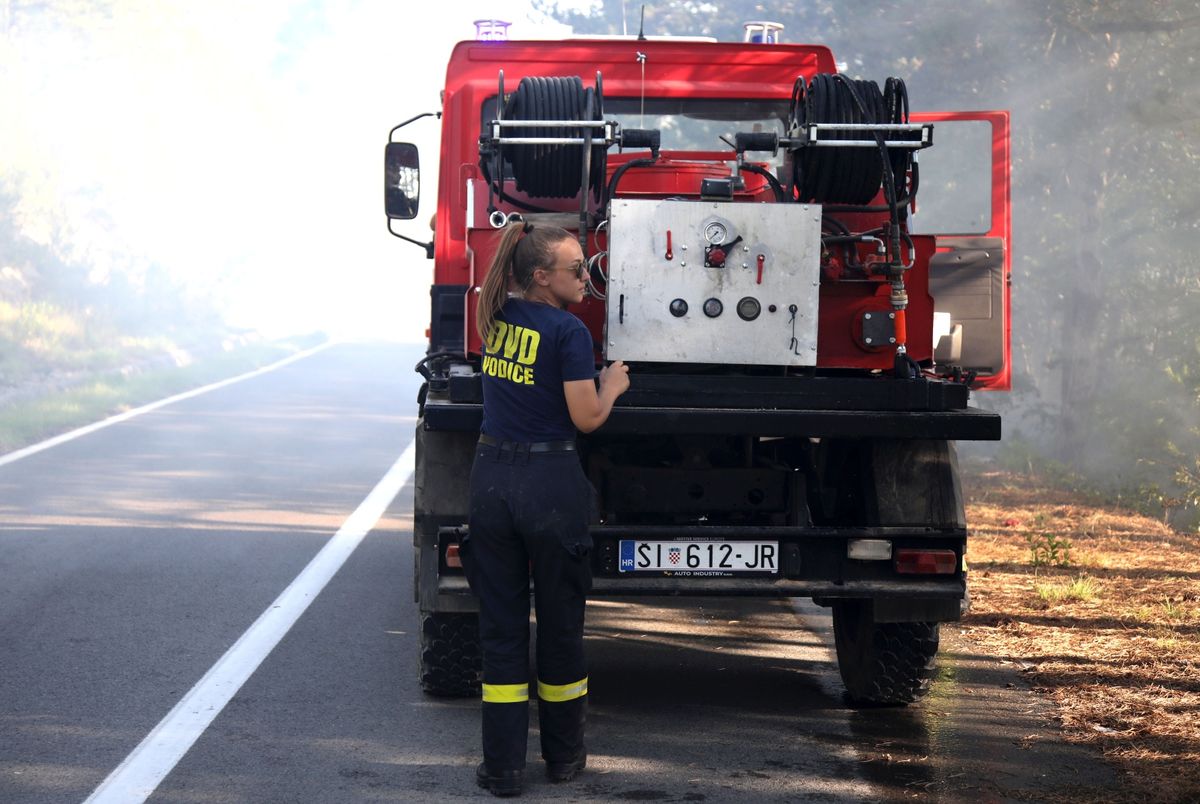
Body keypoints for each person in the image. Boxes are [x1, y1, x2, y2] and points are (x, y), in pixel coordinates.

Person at [462, 220, 630, 797]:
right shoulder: (568, 331)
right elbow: (586, 419)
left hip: (490, 480)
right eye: (576, 268)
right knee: (560, 625)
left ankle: (502, 768)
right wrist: (611, 385)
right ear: (541, 275)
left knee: (502, 630)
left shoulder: (495, 317)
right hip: (549, 483)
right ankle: (563, 760)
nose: (587, 275)